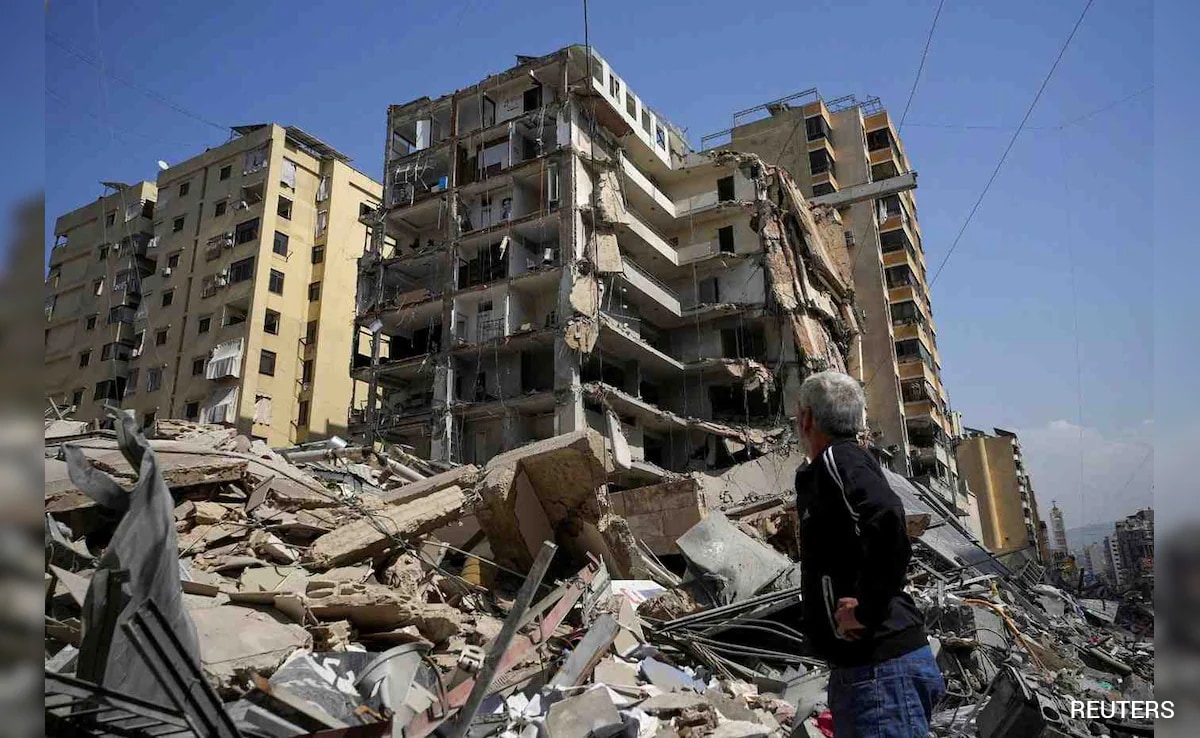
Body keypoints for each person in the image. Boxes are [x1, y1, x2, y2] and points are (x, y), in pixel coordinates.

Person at [793, 371, 945, 737]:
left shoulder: (839, 460)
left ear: (808, 418)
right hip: (868, 672)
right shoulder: (837, 465)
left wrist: (864, 611)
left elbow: (888, 520)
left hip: (880, 672)